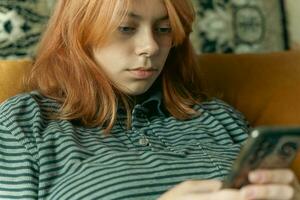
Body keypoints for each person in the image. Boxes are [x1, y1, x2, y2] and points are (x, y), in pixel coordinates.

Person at [0, 0, 299, 199]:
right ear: (79, 33)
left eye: (164, 29)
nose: (151, 46)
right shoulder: (25, 122)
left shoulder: (218, 117)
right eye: (126, 28)